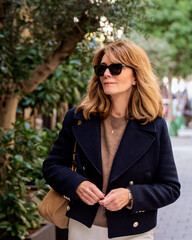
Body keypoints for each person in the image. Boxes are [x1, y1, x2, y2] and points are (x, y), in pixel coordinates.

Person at [43, 41, 180, 240]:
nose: (106, 74)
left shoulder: (154, 125)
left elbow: (170, 187)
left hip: (134, 232)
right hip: (83, 227)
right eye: (102, 68)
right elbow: (52, 166)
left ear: (136, 76)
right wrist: (77, 184)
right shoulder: (79, 118)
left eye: (116, 68)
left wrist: (131, 196)